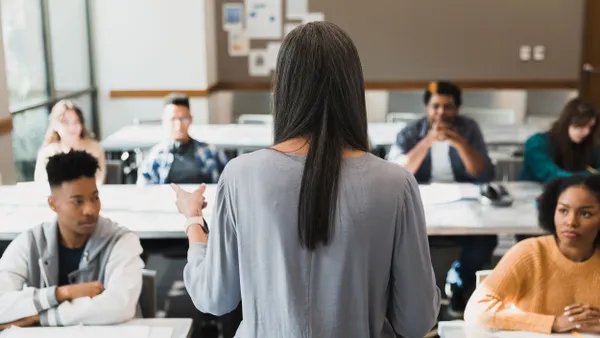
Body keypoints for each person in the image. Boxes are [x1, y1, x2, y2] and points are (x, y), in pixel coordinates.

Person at [173, 22, 440, 338]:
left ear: (283, 90)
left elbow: (214, 297)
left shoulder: (241, 175)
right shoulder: (396, 184)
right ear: (354, 90)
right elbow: (417, 321)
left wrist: (193, 220)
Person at [0, 151, 144, 328]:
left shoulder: (121, 241)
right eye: (78, 202)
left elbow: (120, 306)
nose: (90, 210)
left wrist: (40, 318)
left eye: (95, 198)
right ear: (53, 204)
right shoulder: (29, 243)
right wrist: (61, 293)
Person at [389, 80, 496, 317]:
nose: (441, 113)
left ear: (456, 108)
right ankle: (414, 295)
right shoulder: (411, 131)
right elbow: (398, 173)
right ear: (427, 107)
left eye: (448, 107)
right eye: (436, 106)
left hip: (464, 202)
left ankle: (459, 283)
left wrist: (458, 142)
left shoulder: (468, 129)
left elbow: (482, 172)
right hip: (423, 203)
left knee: (485, 238)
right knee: (401, 235)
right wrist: (427, 142)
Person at [465, 175, 600, 334]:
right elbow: (476, 310)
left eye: (585, 214)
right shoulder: (528, 253)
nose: (571, 222)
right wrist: (553, 323)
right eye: (563, 211)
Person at [137, 93, 229, 186]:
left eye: (183, 119)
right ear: (164, 121)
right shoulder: (156, 155)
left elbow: (228, 184)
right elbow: (143, 188)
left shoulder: (211, 152)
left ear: (191, 119)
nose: (178, 125)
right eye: (173, 119)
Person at [521, 98, 600, 183]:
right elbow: (552, 176)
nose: (586, 132)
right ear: (567, 123)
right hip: (535, 193)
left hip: (577, 193)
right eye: (581, 125)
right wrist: (590, 176)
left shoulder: (589, 145)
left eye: (590, 127)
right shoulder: (537, 144)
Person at [34, 100, 106, 184]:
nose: (72, 127)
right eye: (66, 123)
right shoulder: (48, 153)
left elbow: (98, 181)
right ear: (54, 125)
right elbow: (41, 183)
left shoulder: (95, 149)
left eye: (76, 122)